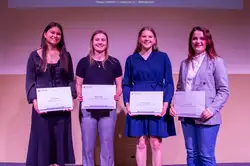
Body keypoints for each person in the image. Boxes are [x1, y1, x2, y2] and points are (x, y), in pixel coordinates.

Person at [170, 26, 230, 166]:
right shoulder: (184, 64)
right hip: (187, 115)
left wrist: (212, 109)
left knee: (206, 156)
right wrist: (175, 105)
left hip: (207, 116)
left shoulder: (216, 61)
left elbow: (224, 90)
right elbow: (180, 88)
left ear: (208, 41)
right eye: (195, 38)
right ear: (191, 41)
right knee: (191, 153)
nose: (198, 41)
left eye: (202, 38)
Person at [122, 27, 176, 166]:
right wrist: (127, 103)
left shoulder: (163, 57)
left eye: (150, 36)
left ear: (155, 40)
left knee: (156, 142)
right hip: (137, 101)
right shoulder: (131, 59)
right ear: (139, 39)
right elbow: (126, 83)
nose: (147, 39)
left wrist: (166, 103)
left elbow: (169, 82)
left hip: (157, 101)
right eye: (144, 36)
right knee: (140, 143)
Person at [25, 22, 76, 166]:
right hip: (42, 108)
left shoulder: (66, 56)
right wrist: (34, 100)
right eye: (52, 32)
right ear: (45, 34)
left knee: (59, 143)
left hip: (62, 109)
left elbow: (70, 80)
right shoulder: (34, 56)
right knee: (43, 143)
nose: (55, 35)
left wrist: (71, 97)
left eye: (58, 33)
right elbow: (30, 81)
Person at [75, 30, 123, 166]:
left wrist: (118, 93)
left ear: (107, 43)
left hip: (108, 110)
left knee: (107, 145)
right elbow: (78, 83)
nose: (100, 42)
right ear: (92, 42)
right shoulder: (83, 62)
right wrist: (79, 93)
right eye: (97, 39)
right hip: (88, 109)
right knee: (87, 145)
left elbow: (119, 85)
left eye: (103, 40)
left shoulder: (114, 62)